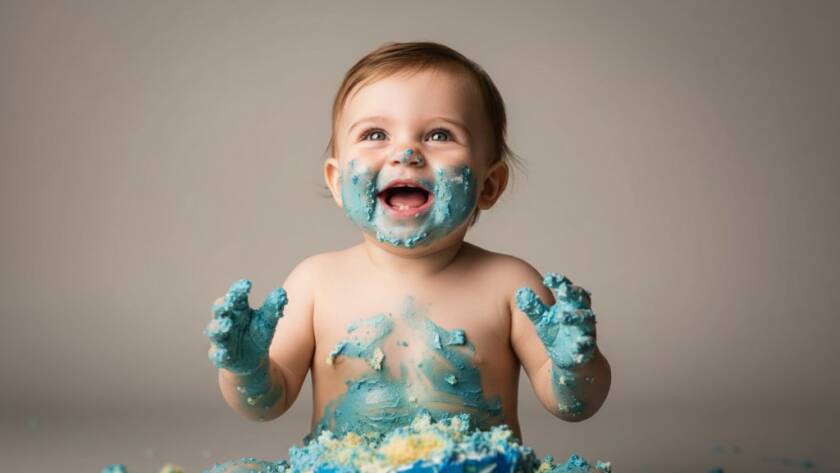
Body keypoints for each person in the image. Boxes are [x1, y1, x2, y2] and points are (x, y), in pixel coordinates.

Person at [204, 41, 611, 473]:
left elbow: (574, 407)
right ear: (338, 183)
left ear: (488, 186)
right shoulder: (315, 282)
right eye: (375, 134)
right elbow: (267, 404)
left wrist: (574, 363)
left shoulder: (509, 284)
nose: (407, 152)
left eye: (439, 135)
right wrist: (245, 370)